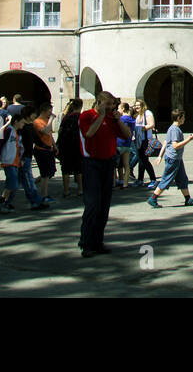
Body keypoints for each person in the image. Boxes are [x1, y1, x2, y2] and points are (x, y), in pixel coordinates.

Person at [78, 91, 130, 257]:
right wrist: (100, 116)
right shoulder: (86, 116)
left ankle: (97, 241)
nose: (110, 108)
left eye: (112, 105)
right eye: (107, 104)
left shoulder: (112, 118)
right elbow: (89, 133)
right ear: (98, 102)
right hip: (91, 163)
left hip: (108, 163)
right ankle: (86, 242)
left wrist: (118, 120)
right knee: (92, 204)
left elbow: (127, 134)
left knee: (104, 206)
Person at [148, 108, 193, 206]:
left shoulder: (172, 128)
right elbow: (175, 146)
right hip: (173, 158)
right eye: (183, 117)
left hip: (177, 158)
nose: (184, 119)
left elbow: (166, 142)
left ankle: (188, 199)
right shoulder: (174, 129)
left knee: (182, 178)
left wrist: (160, 156)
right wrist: (189, 139)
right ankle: (153, 198)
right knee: (167, 178)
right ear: (179, 118)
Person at [57, 99, 84, 197]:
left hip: (65, 145)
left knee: (65, 169)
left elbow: (60, 131)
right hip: (77, 144)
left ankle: (66, 190)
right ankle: (80, 189)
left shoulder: (66, 117)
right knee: (78, 168)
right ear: (81, 106)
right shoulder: (81, 117)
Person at [33, 103, 57, 203]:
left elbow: (50, 135)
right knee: (45, 174)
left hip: (48, 149)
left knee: (51, 172)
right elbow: (46, 131)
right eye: (49, 111)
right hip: (41, 150)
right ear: (44, 111)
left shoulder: (46, 120)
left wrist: (55, 146)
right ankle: (44, 195)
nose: (50, 113)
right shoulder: (37, 121)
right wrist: (51, 119)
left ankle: (33, 183)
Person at [132, 100, 158, 187]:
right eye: (135, 105)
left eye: (138, 105)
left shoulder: (147, 113)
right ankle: (140, 179)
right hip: (139, 140)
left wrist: (141, 128)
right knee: (141, 160)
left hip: (146, 140)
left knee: (145, 160)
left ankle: (153, 179)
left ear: (143, 105)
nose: (136, 107)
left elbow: (151, 124)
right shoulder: (138, 115)